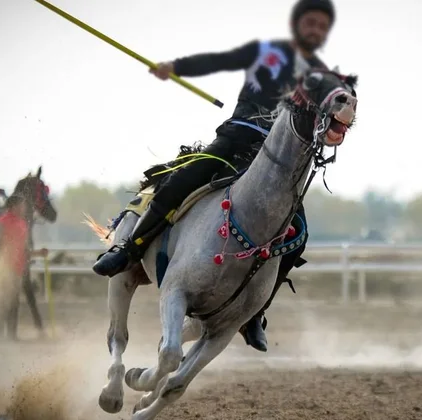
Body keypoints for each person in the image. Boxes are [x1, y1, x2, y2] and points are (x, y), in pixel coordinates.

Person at [92, 0, 337, 352]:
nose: (316, 31)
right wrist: (176, 67)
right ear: (298, 25)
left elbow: (327, 117)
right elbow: (217, 61)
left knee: (298, 232)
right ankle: (131, 250)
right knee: (179, 183)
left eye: (322, 26)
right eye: (311, 23)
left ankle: (254, 313)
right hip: (235, 139)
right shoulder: (267, 53)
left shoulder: (321, 77)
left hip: (274, 166)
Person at [0, 194, 48, 340]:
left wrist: (38, 253)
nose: (24, 208)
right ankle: (0, 335)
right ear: (14, 207)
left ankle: (10, 335)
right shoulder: (1, 223)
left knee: (13, 302)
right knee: (3, 301)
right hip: (3, 270)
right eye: (22, 205)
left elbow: (24, 250)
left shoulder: (21, 224)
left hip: (17, 269)